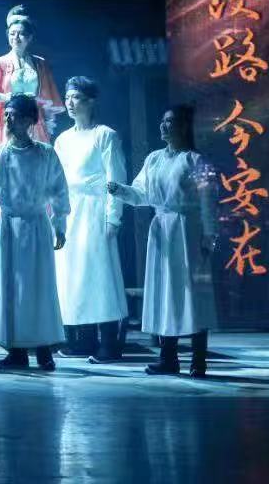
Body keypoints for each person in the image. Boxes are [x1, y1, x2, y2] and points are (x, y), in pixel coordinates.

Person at [108, 105, 219, 377]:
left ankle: (198, 359)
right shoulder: (154, 159)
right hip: (162, 230)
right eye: (162, 121)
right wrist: (121, 191)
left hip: (187, 230)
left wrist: (209, 236)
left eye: (170, 121)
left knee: (192, 292)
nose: (164, 126)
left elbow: (208, 202)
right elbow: (142, 194)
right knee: (164, 291)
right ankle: (168, 357)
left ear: (183, 126)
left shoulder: (196, 161)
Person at [0, 93, 69, 370]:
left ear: (29, 120)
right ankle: (16, 350)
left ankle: (44, 348)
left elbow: (59, 191)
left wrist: (60, 225)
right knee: (11, 288)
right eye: (7, 115)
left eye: (15, 116)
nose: (9, 120)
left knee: (38, 286)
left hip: (36, 226)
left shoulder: (45, 154)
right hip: (9, 228)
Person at [52, 76, 129, 363]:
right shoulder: (63, 140)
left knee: (99, 274)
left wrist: (113, 217)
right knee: (73, 276)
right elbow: (57, 181)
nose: (70, 103)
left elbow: (116, 179)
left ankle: (108, 341)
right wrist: (57, 216)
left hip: (95, 211)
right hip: (71, 211)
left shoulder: (105, 135)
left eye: (76, 97)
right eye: (67, 97)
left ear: (90, 101)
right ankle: (83, 339)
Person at [0, 5, 62, 148]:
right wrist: (7, 97)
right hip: (11, 120)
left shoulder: (40, 63)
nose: (16, 38)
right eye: (12, 34)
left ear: (29, 37)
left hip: (34, 120)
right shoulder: (0, 63)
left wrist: (38, 106)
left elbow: (49, 99)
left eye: (21, 34)